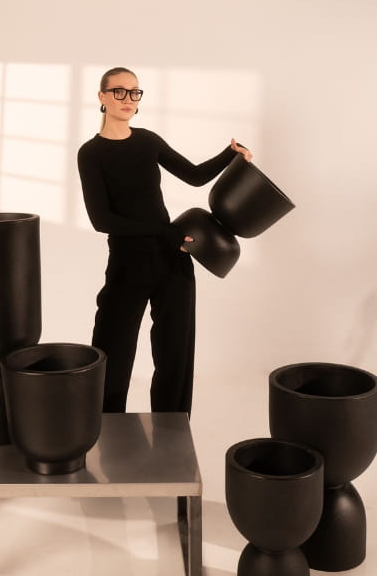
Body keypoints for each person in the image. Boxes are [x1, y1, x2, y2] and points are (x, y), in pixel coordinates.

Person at [77, 67, 251, 415]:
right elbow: (102, 220)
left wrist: (230, 154)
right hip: (128, 263)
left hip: (173, 257)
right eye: (119, 91)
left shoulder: (148, 141)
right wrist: (164, 233)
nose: (128, 99)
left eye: (135, 92)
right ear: (102, 97)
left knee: (175, 355)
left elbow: (195, 176)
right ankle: (107, 428)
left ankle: (172, 431)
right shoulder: (91, 153)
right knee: (113, 350)